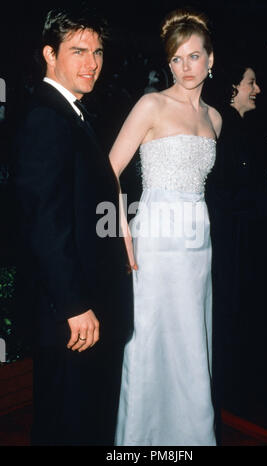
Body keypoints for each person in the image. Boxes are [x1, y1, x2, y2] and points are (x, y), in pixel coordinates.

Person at [11, 7, 132, 445]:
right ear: (49, 54)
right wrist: (74, 305)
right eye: (78, 51)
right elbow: (43, 219)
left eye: (97, 52)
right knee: (69, 424)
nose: (92, 63)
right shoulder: (47, 116)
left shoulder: (71, 114)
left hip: (84, 308)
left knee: (81, 421)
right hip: (73, 315)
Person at [109, 8, 222, 446]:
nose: (185, 67)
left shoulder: (215, 119)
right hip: (155, 241)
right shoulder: (151, 104)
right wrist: (125, 238)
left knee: (193, 345)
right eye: (177, 59)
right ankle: (140, 443)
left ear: (211, 59)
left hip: (199, 243)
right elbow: (109, 171)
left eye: (194, 57)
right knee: (151, 344)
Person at [205, 64, 267, 442]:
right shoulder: (216, 129)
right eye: (250, 82)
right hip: (228, 255)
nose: (256, 89)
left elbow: (251, 181)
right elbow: (216, 195)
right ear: (231, 89)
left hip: (254, 252)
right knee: (228, 331)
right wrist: (265, 191)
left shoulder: (249, 130)